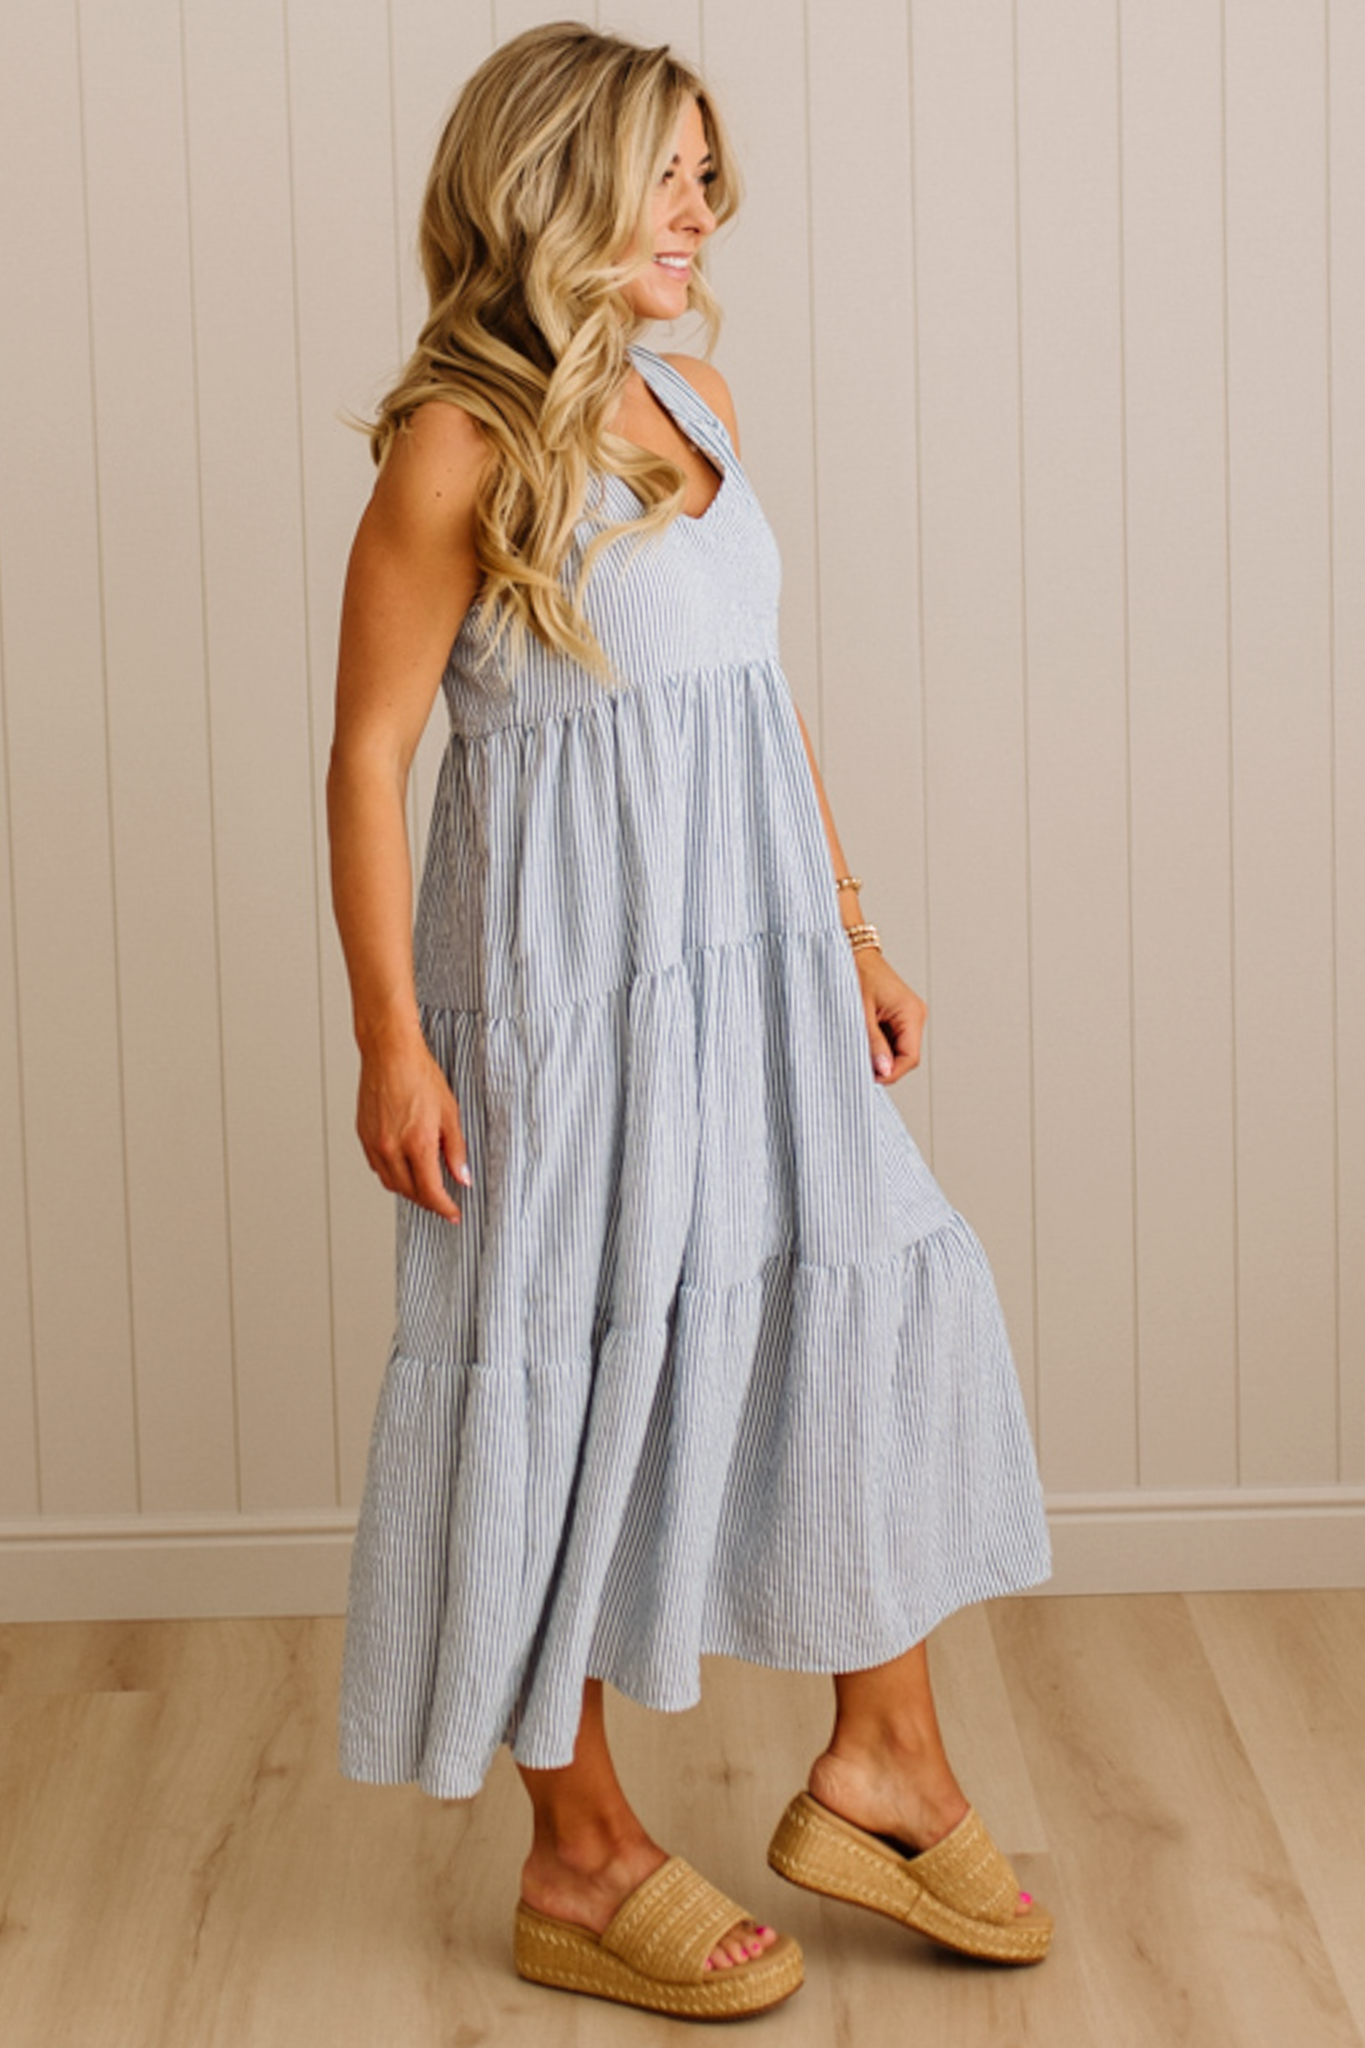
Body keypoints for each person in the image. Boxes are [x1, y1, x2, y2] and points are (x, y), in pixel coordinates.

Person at [327, 20, 1053, 2022]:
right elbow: (366, 755)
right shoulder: (457, 447)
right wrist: (394, 1037)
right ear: (550, 180)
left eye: (708, 175)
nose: (699, 210)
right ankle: (575, 1856)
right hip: (563, 1011)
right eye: (663, 171)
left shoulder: (695, 393)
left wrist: (847, 922)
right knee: (546, 1383)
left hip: (755, 978)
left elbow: (754, 696)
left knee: (865, 1288)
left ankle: (882, 1755)